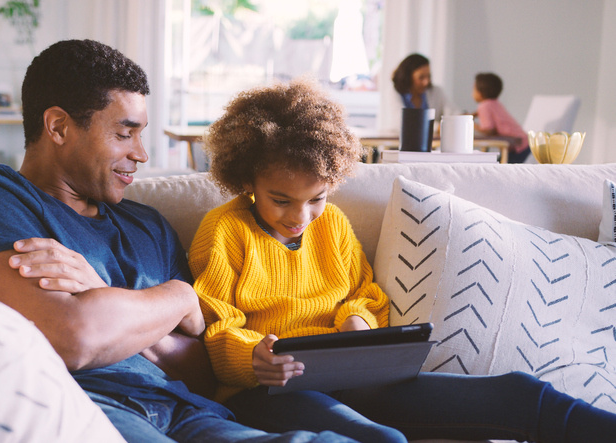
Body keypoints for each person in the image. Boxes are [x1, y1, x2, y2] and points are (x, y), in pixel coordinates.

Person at [0, 39, 357, 443]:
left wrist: (105, 294)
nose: (141, 154)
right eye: (124, 133)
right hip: (91, 406)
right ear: (58, 127)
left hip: (192, 411)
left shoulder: (148, 226)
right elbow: (74, 336)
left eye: (140, 134)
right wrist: (175, 303)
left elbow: (201, 372)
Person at [187, 76, 616, 443]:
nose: (300, 217)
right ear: (247, 180)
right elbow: (214, 328)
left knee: (519, 394)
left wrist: (358, 324)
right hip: (269, 391)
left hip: (352, 379)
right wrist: (254, 356)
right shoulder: (225, 230)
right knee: (384, 439)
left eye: (316, 198)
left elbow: (364, 295)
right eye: (281, 200)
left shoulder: (332, 224)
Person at [383, 53, 456, 134]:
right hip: (397, 140)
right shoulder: (394, 92)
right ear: (408, 77)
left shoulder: (436, 91)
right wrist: (438, 127)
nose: (426, 82)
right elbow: (403, 122)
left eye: (428, 76)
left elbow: (453, 112)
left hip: (430, 141)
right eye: (421, 78)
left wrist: (463, 117)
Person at [472, 72, 531, 163]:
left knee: (501, 168)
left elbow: (488, 130)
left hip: (517, 147)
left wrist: (471, 123)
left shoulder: (483, 106)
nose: (472, 94)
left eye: (473, 90)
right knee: (498, 165)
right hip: (524, 142)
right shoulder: (494, 103)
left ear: (480, 92)